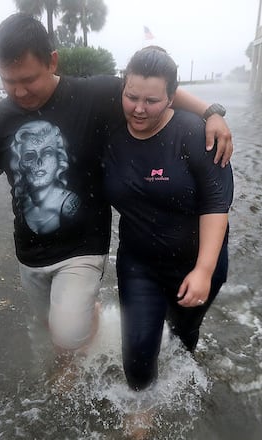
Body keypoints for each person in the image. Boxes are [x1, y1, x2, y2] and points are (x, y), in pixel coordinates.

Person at [0, 14, 233, 362]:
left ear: (52, 61)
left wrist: (211, 112)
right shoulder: (0, 116)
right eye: (8, 81)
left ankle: (84, 326)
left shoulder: (93, 94)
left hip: (83, 243)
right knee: (46, 324)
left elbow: (155, 91)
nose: (19, 91)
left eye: (28, 80)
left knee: (68, 331)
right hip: (29, 250)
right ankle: (67, 356)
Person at [103, 46, 234, 391]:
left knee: (183, 336)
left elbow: (216, 204)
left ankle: (185, 379)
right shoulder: (111, 129)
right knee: (138, 354)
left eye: (152, 101)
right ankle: (140, 415)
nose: (139, 109)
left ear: (172, 98)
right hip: (139, 262)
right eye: (132, 97)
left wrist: (203, 271)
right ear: (123, 89)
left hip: (198, 261)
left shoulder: (197, 134)